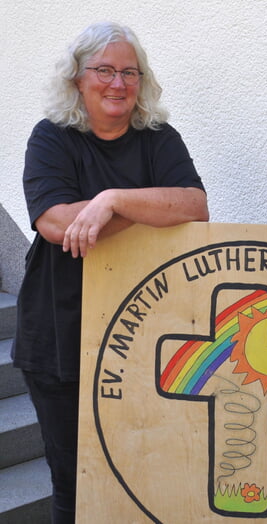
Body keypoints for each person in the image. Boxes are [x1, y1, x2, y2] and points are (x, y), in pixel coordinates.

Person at [12, 22, 209, 523]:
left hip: (141, 339)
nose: (117, 83)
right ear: (78, 78)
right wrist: (147, 211)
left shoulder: (158, 139)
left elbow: (195, 205)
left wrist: (111, 201)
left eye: (128, 72)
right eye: (103, 70)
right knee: (76, 487)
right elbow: (56, 222)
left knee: (143, 476)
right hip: (60, 336)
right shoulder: (51, 137)